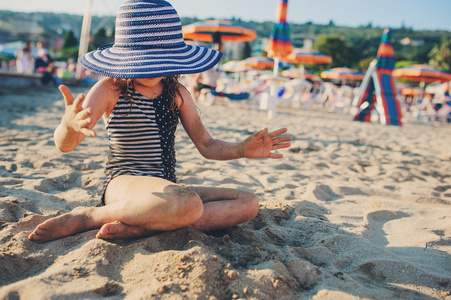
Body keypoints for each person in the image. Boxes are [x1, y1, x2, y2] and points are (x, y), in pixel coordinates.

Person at [28, 0, 291, 243]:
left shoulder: (177, 94)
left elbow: (207, 145)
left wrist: (242, 149)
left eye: (158, 61)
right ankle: (90, 216)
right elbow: (65, 146)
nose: (152, 69)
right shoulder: (110, 89)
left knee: (248, 202)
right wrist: (68, 127)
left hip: (167, 186)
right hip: (124, 183)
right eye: (145, 60)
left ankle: (143, 226)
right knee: (188, 204)